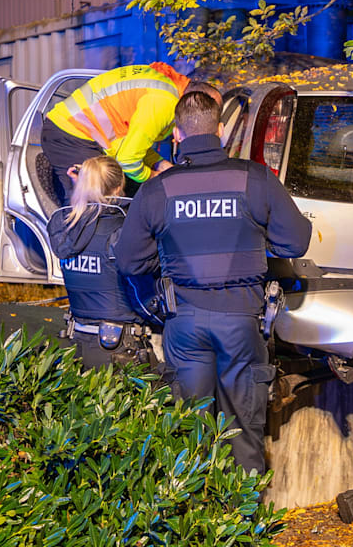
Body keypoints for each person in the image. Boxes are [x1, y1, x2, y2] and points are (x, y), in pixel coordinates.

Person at [115, 91, 312, 474]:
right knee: (243, 430)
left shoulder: (159, 189)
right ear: (220, 131)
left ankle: (194, 519)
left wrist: (167, 255)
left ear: (176, 134)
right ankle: (242, 523)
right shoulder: (254, 178)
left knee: (189, 428)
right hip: (241, 322)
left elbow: (128, 260)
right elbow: (296, 241)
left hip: (184, 322)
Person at [47, 155, 159, 369]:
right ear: (118, 188)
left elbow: (85, 221)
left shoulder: (65, 229)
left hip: (77, 343)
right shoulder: (124, 231)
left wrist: (78, 190)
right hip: (121, 348)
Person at [41, 62, 190, 203]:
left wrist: (161, 165)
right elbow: (127, 160)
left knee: (111, 197)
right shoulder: (164, 103)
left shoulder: (162, 89)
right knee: (89, 204)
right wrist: (155, 177)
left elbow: (130, 144)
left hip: (79, 132)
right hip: (70, 134)